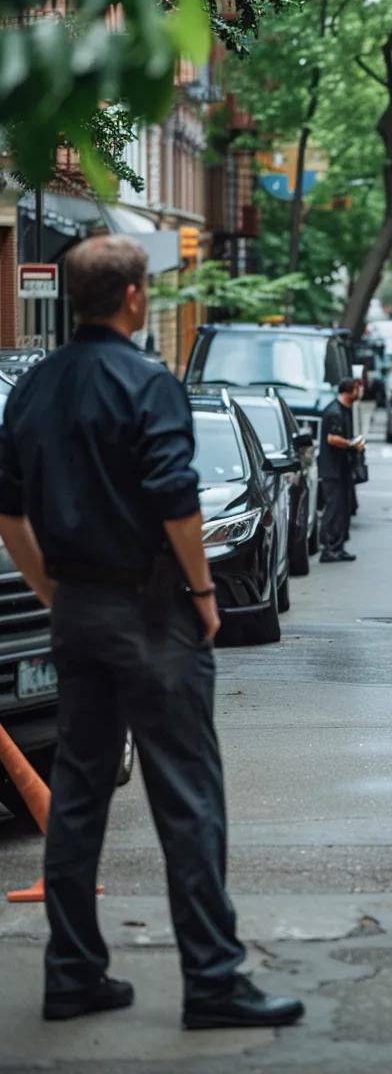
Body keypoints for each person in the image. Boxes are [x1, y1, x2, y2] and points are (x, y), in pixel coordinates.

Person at [0, 236, 303, 1029]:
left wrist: (50, 589)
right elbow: (177, 499)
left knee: (78, 795)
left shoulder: (32, 389)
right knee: (187, 795)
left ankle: (72, 974)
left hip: (77, 612)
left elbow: (8, 510)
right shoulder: (148, 383)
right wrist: (204, 593)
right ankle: (213, 981)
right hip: (151, 611)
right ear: (134, 298)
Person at [318, 378, 364, 563]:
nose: (360, 393)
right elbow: (332, 438)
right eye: (358, 389)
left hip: (343, 469)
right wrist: (351, 444)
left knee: (344, 509)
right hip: (332, 470)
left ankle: (339, 546)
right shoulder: (334, 412)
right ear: (350, 390)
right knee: (334, 509)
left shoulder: (345, 409)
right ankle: (328, 548)